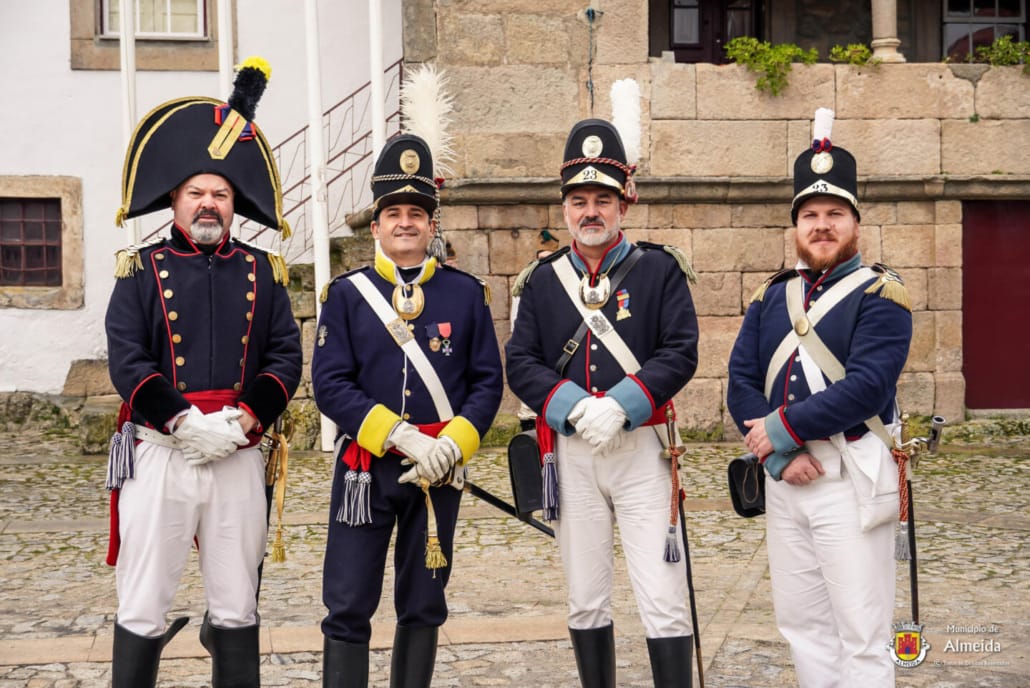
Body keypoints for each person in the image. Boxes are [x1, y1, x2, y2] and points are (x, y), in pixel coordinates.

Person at [104, 57, 302, 687]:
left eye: (220, 193)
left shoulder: (265, 270)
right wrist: (183, 421)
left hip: (238, 454)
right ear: (174, 200)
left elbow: (284, 357)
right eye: (197, 192)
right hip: (162, 450)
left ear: (235, 201)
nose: (209, 203)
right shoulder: (139, 268)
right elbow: (127, 358)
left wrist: (246, 419)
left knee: (238, 604)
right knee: (142, 602)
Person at [505, 118, 700, 687]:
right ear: (565, 208)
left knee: (663, 597)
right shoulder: (540, 281)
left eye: (602, 200)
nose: (591, 211)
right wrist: (571, 405)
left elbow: (681, 350)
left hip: (643, 450)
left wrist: (621, 403)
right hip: (571, 453)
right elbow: (522, 362)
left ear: (623, 205)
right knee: (585, 597)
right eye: (579, 200)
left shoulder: (661, 270)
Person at [726, 108, 913, 687]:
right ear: (795, 226)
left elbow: (866, 387)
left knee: (861, 632)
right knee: (802, 625)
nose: (822, 225)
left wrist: (780, 428)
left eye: (835, 213)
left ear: (855, 222)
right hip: (787, 478)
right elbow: (740, 382)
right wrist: (778, 454)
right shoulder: (770, 296)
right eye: (810, 214)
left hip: (850, 475)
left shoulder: (883, 293)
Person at [312, 134, 503, 688]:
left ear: (431, 224)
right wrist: (400, 436)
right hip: (365, 472)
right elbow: (330, 384)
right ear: (375, 226)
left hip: (437, 474)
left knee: (424, 603)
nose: (404, 223)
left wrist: (452, 444)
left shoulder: (467, 295)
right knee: (347, 604)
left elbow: (487, 384)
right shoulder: (346, 295)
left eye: (415, 213)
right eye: (392, 213)